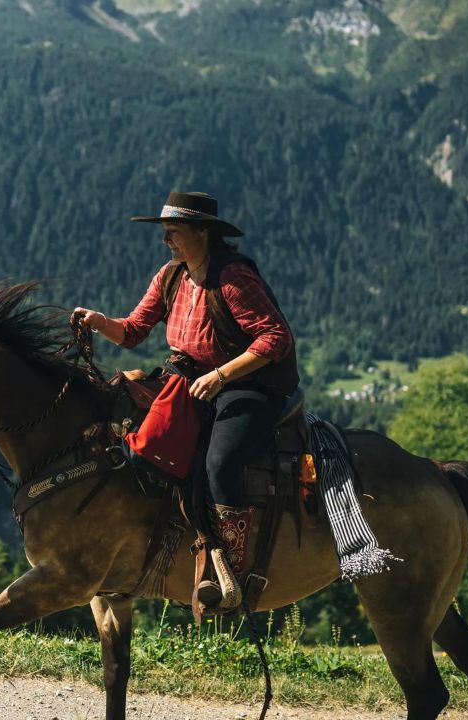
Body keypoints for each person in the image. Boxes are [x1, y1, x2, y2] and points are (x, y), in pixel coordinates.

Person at [73, 190, 299, 609]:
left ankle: (231, 561)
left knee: (221, 461)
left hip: (250, 383)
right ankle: (168, 545)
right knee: (137, 438)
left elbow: (276, 338)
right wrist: (100, 322)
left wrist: (220, 375)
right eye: (164, 233)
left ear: (202, 233)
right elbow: (134, 330)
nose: (166, 241)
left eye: (173, 232)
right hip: (193, 379)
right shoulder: (171, 276)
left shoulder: (232, 279)